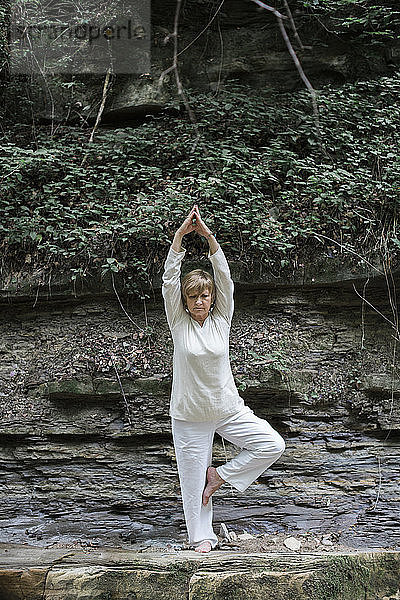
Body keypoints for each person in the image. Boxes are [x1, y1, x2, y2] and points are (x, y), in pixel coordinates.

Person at [162, 204, 285, 554]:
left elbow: (226, 279)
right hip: (188, 414)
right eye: (193, 296)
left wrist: (210, 238)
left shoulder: (221, 319)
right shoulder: (179, 322)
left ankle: (220, 477)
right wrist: (179, 239)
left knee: (273, 444)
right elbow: (169, 281)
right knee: (190, 482)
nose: (199, 301)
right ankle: (201, 537)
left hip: (227, 408)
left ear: (212, 298)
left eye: (205, 295)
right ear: (184, 301)